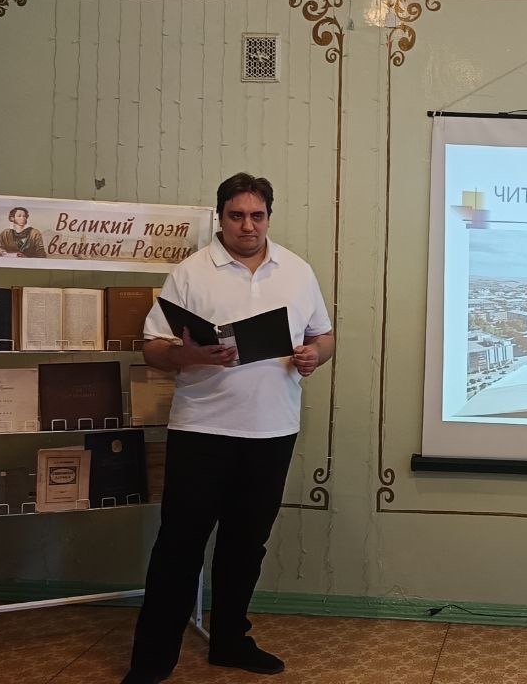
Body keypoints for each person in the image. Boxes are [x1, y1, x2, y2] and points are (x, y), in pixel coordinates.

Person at [122, 173, 335, 684]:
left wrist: (313, 356)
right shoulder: (191, 272)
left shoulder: (298, 271)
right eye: (236, 216)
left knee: (246, 545)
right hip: (202, 430)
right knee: (179, 546)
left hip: (272, 431)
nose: (247, 225)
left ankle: (230, 641)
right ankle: (151, 662)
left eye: (257, 216)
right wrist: (190, 355)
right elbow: (152, 348)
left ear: (269, 217)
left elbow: (324, 336)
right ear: (221, 218)